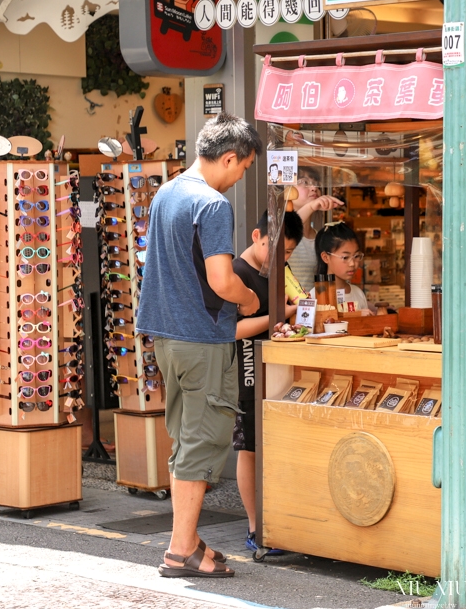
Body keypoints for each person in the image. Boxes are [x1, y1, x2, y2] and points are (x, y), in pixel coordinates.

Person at [137, 113, 262, 579]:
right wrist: (250, 299)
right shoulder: (212, 205)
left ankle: (187, 542)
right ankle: (179, 551)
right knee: (203, 441)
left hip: (166, 338)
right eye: (243, 167)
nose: (240, 176)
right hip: (201, 339)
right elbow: (222, 281)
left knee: (185, 439)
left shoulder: (166, 192)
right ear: (228, 157)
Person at [232, 209, 304, 554]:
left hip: (278, 368)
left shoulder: (279, 271)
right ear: (256, 236)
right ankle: (255, 526)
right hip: (247, 367)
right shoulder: (236, 272)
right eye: (275, 249)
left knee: (272, 444)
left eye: (288, 253)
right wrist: (280, 316)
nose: (281, 258)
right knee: (250, 448)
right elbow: (232, 329)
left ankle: (279, 519)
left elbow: (296, 304)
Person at [286, 168, 344, 294]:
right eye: (304, 182)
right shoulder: (280, 232)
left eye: (316, 183)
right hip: (288, 312)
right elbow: (286, 232)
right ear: (287, 190)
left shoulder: (320, 238)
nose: (313, 188)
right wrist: (311, 206)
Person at [315, 222, 372, 315]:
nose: (352, 263)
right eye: (345, 257)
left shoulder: (358, 294)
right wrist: (356, 315)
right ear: (326, 257)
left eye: (357, 256)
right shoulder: (315, 296)